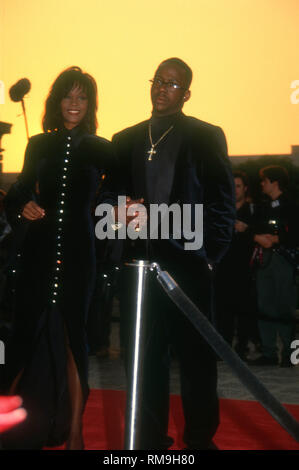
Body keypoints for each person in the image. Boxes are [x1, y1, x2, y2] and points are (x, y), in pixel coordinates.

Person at [103, 58, 235, 449]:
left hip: (189, 266)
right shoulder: (124, 139)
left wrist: (209, 257)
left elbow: (222, 204)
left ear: (187, 93)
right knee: (143, 362)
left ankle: (199, 442)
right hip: (138, 268)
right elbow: (109, 194)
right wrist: (116, 209)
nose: (163, 88)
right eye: (158, 80)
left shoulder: (206, 136)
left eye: (173, 84)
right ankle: (147, 441)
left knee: (197, 361)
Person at [2, 67, 113, 449]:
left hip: (81, 258)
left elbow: (115, 197)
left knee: (73, 342)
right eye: (68, 96)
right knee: (24, 339)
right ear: (57, 101)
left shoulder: (103, 148)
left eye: (83, 98)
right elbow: (16, 192)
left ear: (91, 105)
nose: (74, 104)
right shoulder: (39, 146)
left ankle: (76, 436)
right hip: (38, 255)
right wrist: (25, 206)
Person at [249, 166, 298, 367]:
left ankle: (288, 353)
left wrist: (277, 238)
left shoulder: (292, 205)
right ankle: (269, 352)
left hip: (284, 260)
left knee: (285, 306)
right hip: (265, 260)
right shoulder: (262, 206)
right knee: (265, 305)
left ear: (274, 182)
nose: (262, 184)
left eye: (265, 180)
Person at [215, 171, 259, 360]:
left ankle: (242, 348)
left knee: (244, 312)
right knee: (222, 312)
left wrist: (246, 229)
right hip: (223, 269)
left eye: (239, 186)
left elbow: (261, 234)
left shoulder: (253, 210)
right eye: (232, 185)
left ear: (245, 188)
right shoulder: (221, 209)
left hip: (245, 270)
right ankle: (222, 350)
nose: (235, 190)